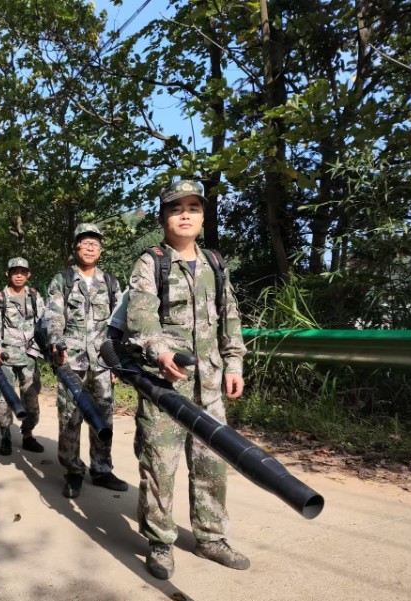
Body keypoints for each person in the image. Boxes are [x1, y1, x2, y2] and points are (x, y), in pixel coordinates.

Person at [126, 179, 249, 580]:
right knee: (160, 466)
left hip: (209, 385)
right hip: (165, 385)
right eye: (177, 208)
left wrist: (234, 364)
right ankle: (160, 542)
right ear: (164, 216)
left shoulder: (215, 263)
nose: (185, 214)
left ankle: (211, 537)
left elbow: (229, 318)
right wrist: (159, 350)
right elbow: (141, 315)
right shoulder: (151, 262)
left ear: (201, 216)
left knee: (212, 463)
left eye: (193, 208)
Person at [46, 223, 128, 498]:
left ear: (101, 250)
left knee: (103, 414)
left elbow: (120, 322)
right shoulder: (63, 280)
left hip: (103, 361)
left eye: (95, 243)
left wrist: (119, 359)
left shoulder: (111, 282)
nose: (90, 247)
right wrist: (57, 342)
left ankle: (102, 469)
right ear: (76, 248)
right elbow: (54, 315)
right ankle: (73, 470)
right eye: (85, 242)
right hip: (72, 359)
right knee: (70, 416)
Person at [0, 257, 46, 456]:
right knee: (4, 399)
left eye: (22, 271)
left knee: (31, 400)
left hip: (30, 356)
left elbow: (44, 324)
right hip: (6, 356)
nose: (18, 275)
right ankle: (5, 435)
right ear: (8, 274)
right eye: (14, 271)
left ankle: (28, 435)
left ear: (28, 274)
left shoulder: (35, 297)